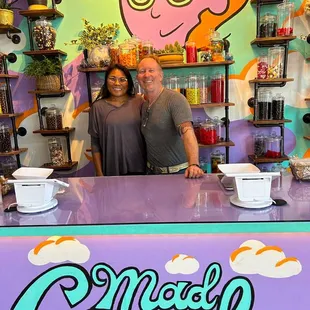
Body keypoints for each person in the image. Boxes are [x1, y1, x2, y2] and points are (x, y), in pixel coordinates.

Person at [136, 55, 204, 179]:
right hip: (151, 173)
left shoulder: (175, 99)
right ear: (137, 78)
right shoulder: (144, 104)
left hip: (177, 174)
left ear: (161, 76)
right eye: (142, 71)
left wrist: (194, 164)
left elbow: (187, 131)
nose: (146, 75)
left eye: (151, 70)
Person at [88, 64, 146, 176]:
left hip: (139, 168)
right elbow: (95, 144)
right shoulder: (97, 107)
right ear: (106, 81)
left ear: (128, 82)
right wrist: (99, 174)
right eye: (112, 79)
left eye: (122, 79)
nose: (117, 83)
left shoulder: (139, 102)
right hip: (111, 170)